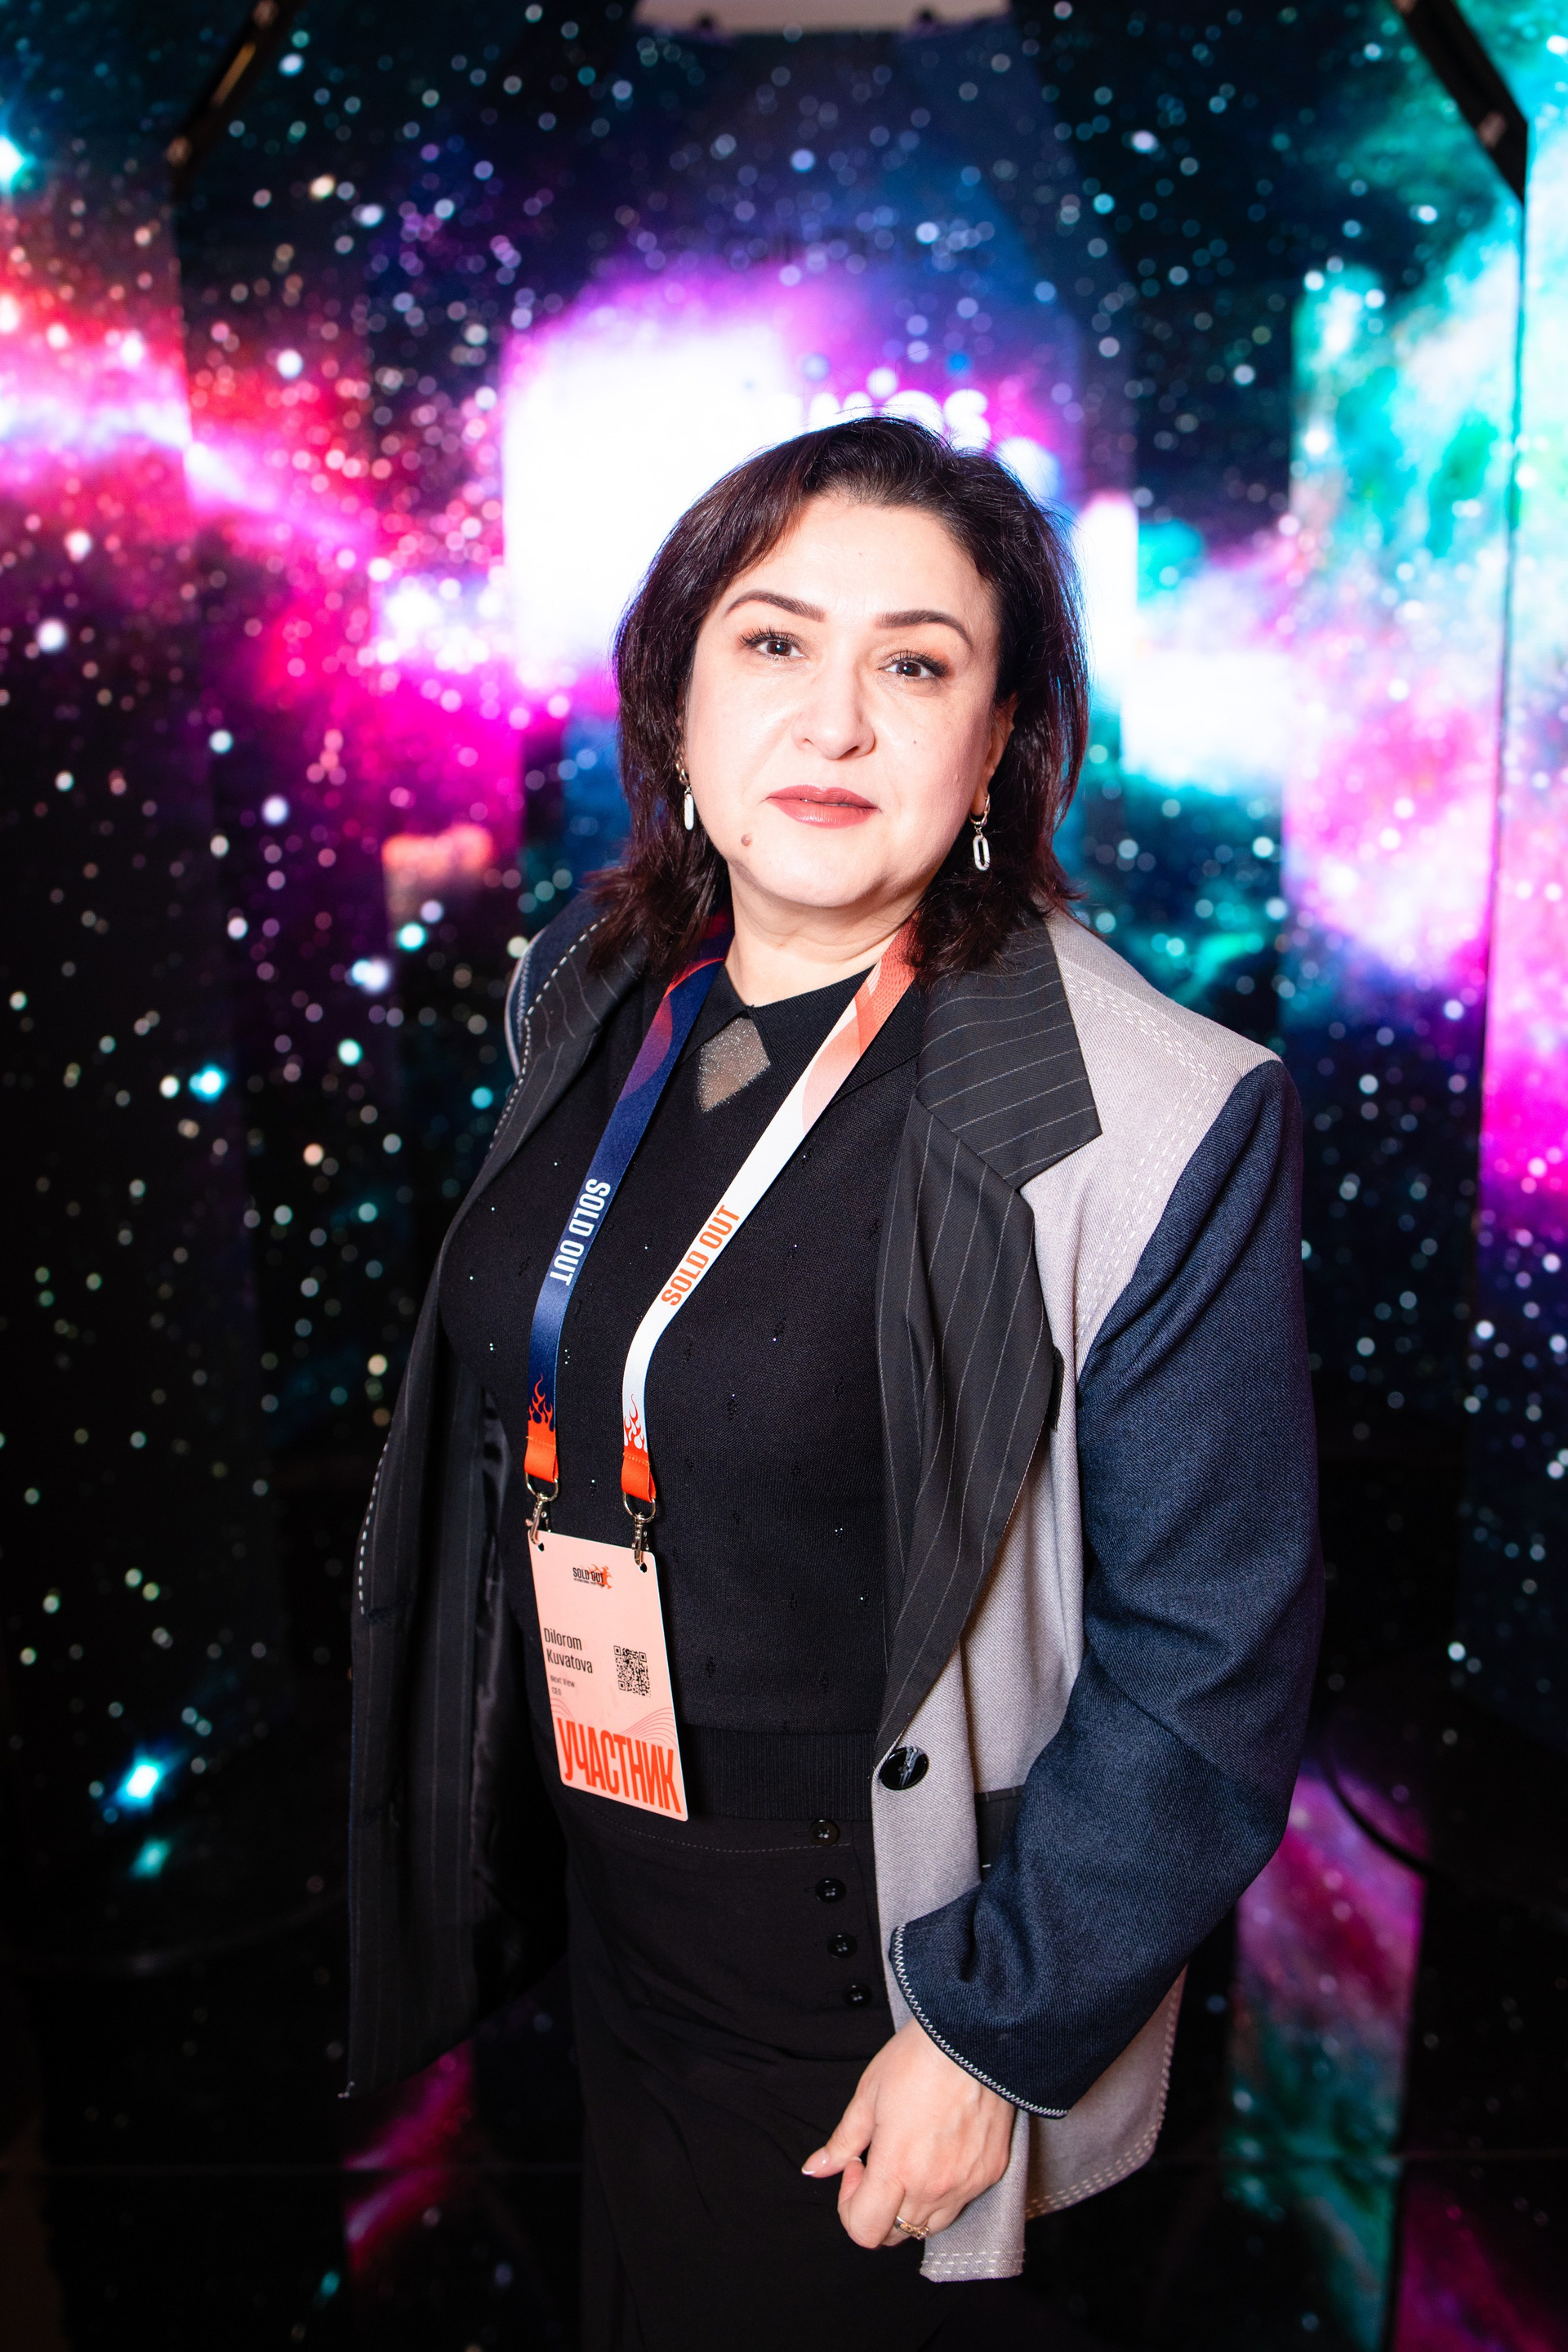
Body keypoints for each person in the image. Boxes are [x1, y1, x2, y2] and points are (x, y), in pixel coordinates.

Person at [346, 416, 1321, 2350]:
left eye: (918, 665)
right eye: (776, 642)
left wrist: (989, 2030)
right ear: (678, 698)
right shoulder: (597, 985)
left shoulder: (1148, 1111)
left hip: (876, 1979)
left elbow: (1215, 1653)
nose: (837, 721)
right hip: (619, 1921)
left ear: (999, 741)